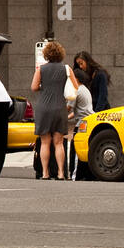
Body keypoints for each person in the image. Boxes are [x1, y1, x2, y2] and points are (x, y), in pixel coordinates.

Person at [31, 40, 78, 180]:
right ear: (60, 54)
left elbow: (33, 87)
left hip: (43, 108)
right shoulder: (67, 69)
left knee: (45, 142)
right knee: (58, 142)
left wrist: (44, 87)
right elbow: (76, 87)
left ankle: (45, 173)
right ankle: (60, 173)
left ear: (46, 54)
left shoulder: (41, 69)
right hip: (59, 107)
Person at [65, 68, 95, 182]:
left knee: (77, 150)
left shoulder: (76, 90)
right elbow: (79, 110)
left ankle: (75, 175)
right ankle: (87, 175)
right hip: (89, 121)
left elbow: (68, 108)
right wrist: (67, 118)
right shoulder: (84, 89)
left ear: (75, 78)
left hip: (82, 125)